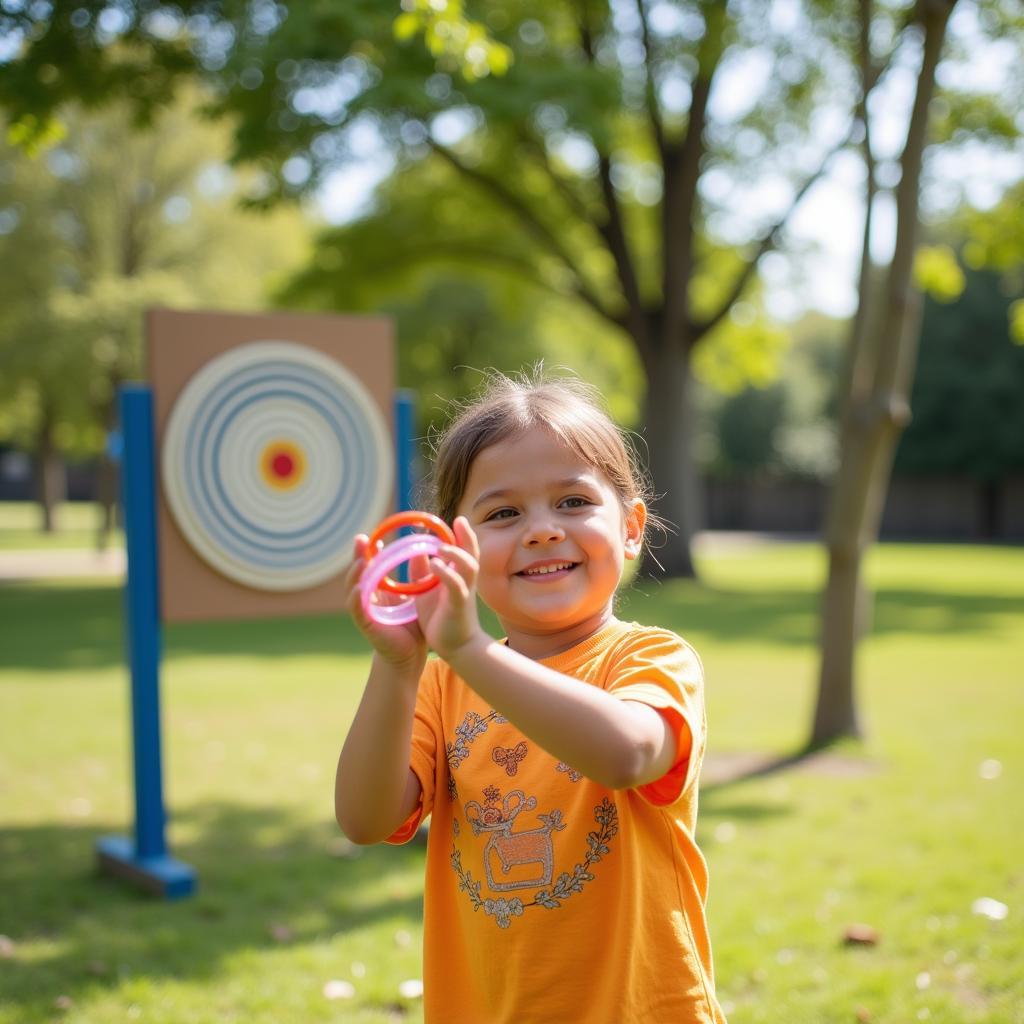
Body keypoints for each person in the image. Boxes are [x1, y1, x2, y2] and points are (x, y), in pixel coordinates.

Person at [336, 370, 727, 1023]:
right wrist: (398, 666)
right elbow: (365, 819)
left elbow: (627, 753)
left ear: (631, 528)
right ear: (449, 548)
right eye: (503, 513)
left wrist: (467, 649)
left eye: (573, 502)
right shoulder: (440, 684)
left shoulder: (650, 657)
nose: (542, 529)